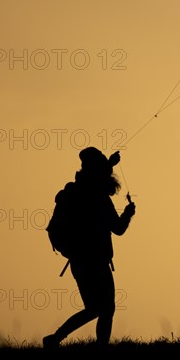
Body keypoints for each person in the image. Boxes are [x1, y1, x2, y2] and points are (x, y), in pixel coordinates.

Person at [43, 147, 136, 348]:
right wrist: (128, 213)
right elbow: (118, 229)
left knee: (95, 308)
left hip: (79, 261)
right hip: (97, 261)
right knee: (105, 309)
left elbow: (92, 180)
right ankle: (75, 342)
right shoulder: (100, 198)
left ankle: (55, 339)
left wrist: (109, 164)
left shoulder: (77, 192)